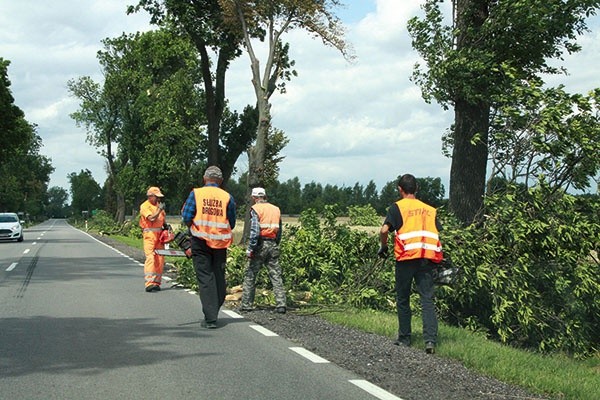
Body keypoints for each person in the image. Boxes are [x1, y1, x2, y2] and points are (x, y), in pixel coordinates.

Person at [378, 174, 443, 354]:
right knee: (427, 299)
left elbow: (384, 230)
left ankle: (405, 338)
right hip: (426, 258)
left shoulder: (397, 207)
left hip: (406, 258)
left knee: (403, 298)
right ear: (417, 188)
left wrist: (383, 246)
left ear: (400, 189)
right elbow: (436, 232)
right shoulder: (430, 209)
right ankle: (430, 341)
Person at [181, 166, 236, 329]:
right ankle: (217, 303)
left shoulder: (196, 193)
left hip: (200, 240)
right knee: (218, 274)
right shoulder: (227, 197)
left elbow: (186, 216)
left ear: (205, 178)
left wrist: (193, 228)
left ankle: (211, 317)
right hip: (220, 242)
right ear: (220, 181)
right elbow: (231, 221)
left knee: (205, 277)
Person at [240, 187, 287, 314]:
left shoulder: (256, 209)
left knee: (250, 274)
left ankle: (246, 304)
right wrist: (275, 244)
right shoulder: (275, 209)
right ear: (264, 196)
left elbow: (255, 231)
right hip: (272, 244)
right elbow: (280, 231)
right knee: (276, 275)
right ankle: (281, 304)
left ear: (254, 197)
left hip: (260, 245)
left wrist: (250, 248)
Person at [139, 186, 166, 292]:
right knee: (150, 258)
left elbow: (162, 220)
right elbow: (151, 218)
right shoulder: (145, 206)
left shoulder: (158, 206)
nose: (158, 199)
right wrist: (159, 210)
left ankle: (157, 282)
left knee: (160, 259)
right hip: (149, 235)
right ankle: (149, 283)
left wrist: (167, 228)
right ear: (150, 197)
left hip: (159, 236)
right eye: (156, 197)